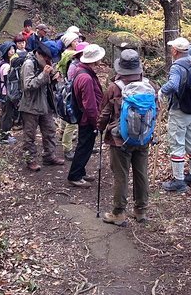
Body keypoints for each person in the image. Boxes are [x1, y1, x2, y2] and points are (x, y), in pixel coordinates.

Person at [98, 50, 155, 225]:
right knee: (141, 173)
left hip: (119, 140)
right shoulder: (150, 86)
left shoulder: (114, 88)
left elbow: (104, 114)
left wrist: (99, 129)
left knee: (121, 175)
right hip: (143, 138)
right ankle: (141, 211)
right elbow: (154, 112)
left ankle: (119, 213)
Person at [159, 37, 191, 193]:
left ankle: (178, 181)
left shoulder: (177, 66)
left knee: (177, 144)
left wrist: (161, 91)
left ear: (175, 51)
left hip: (180, 110)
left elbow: (173, 84)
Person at [19, 42, 65, 171]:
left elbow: (47, 83)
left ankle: (49, 156)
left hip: (45, 104)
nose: (48, 61)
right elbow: (27, 85)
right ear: (38, 54)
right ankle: (30, 160)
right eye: (46, 58)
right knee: (30, 136)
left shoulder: (44, 63)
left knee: (50, 130)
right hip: (30, 105)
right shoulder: (29, 64)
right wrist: (44, 74)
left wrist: (53, 77)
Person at [67, 43, 105, 188]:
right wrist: (97, 122)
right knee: (84, 146)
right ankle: (75, 175)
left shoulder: (80, 70)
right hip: (87, 119)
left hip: (84, 117)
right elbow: (89, 105)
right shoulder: (86, 78)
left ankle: (80, 171)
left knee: (85, 146)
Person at [0, 41, 18, 145]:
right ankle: (4, 136)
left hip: (4, 92)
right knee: (7, 115)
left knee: (5, 114)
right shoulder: (6, 66)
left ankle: (5, 134)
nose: (13, 51)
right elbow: (7, 81)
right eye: (10, 49)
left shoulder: (4, 64)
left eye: (13, 49)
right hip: (6, 93)